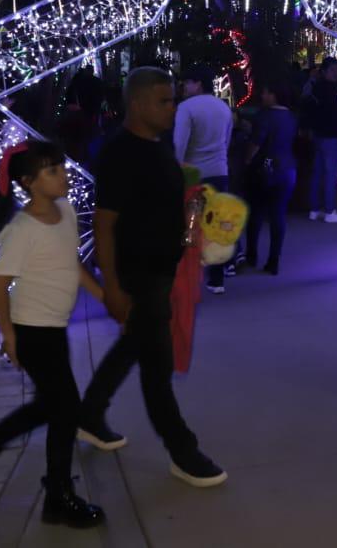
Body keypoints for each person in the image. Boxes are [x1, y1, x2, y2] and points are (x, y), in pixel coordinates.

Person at [78, 67, 227, 488]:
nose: (172, 108)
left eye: (173, 99)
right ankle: (182, 449)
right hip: (138, 274)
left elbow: (162, 202)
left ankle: (89, 415)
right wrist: (111, 287)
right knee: (156, 367)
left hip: (162, 270)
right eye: (164, 101)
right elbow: (104, 225)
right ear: (138, 103)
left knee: (131, 348)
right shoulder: (119, 153)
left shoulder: (159, 145)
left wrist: (190, 214)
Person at [0, 141, 106, 528]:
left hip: (55, 326)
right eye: (51, 170)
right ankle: (57, 496)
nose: (63, 174)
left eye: (61, 166)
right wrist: (8, 335)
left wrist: (103, 294)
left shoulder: (66, 211)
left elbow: (70, 261)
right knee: (65, 408)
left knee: (51, 405)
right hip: (32, 330)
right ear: (29, 183)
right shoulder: (22, 229)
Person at [172, 65, 235, 293]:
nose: (184, 86)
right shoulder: (224, 108)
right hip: (219, 172)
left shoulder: (186, 108)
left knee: (190, 227)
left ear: (198, 83)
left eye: (187, 82)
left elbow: (180, 145)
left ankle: (189, 277)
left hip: (194, 175)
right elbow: (226, 142)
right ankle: (217, 280)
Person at [243, 81, 299, 275]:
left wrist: (247, 159)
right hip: (287, 168)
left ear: (274, 95)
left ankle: (251, 255)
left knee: (256, 212)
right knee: (278, 214)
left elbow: (256, 142)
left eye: (266, 93)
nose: (262, 96)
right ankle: (274, 259)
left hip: (264, 169)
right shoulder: (291, 117)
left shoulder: (265, 116)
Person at [304, 57, 337, 223]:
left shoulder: (316, 89)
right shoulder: (332, 90)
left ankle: (315, 209)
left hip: (318, 135)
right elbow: (336, 115)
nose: (336, 73)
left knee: (318, 173)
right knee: (330, 174)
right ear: (324, 71)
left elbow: (310, 111)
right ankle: (329, 210)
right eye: (332, 70)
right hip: (330, 136)